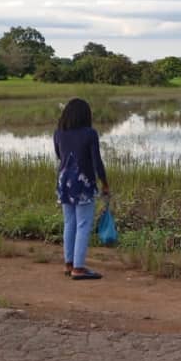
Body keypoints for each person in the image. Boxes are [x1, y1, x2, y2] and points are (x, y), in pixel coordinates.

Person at [54, 98, 110, 280]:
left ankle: (69, 264)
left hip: (64, 182)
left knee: (69, 223)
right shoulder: (90, 134)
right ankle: (78, 268)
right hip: (83, 182)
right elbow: (97, 162)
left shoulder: (58, 133)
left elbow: (58, 155)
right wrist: (105, 183)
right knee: (83, 224)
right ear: (85, 115)